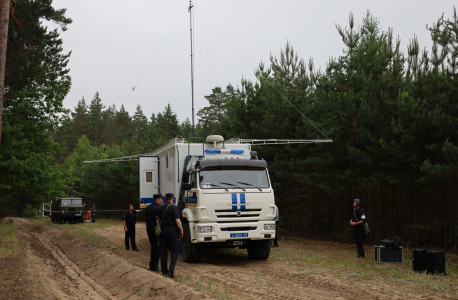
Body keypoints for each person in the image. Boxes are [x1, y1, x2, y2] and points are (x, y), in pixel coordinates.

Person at [156, 193, 183, 278]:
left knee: (163, 251)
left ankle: (164, 271)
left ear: (165, 199)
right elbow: (178, 221)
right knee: (175, 249)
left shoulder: (160, 208)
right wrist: (181, 230)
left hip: (162, 230)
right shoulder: (173, 207)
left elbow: (157, 220)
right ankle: (171, 271)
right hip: (171, 230)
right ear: (172, 199)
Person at [145, 193, 163, 271]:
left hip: (149, 230)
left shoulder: (148, 208)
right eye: (161, 199)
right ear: (158, 200)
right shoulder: (158, 208)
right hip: (156, 231)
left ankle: (152, 264)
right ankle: (155, 265)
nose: (162, 200)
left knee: (153, 247)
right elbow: (158, 221)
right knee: (157, 248)